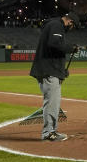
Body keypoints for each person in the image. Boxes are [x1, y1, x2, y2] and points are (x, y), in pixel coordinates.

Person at [29, 12, 80, 141]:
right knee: (52, 103)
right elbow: (54, 44)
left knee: (52, 102)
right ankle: (48, 133)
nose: (71, 29)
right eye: (72, 26)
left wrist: (61, 71)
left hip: (50, 69)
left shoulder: (53, 25)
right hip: (48, 71)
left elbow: (53, 51)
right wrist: (71, 48)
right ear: (70, 22)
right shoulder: (56, 25)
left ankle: (50, 131)